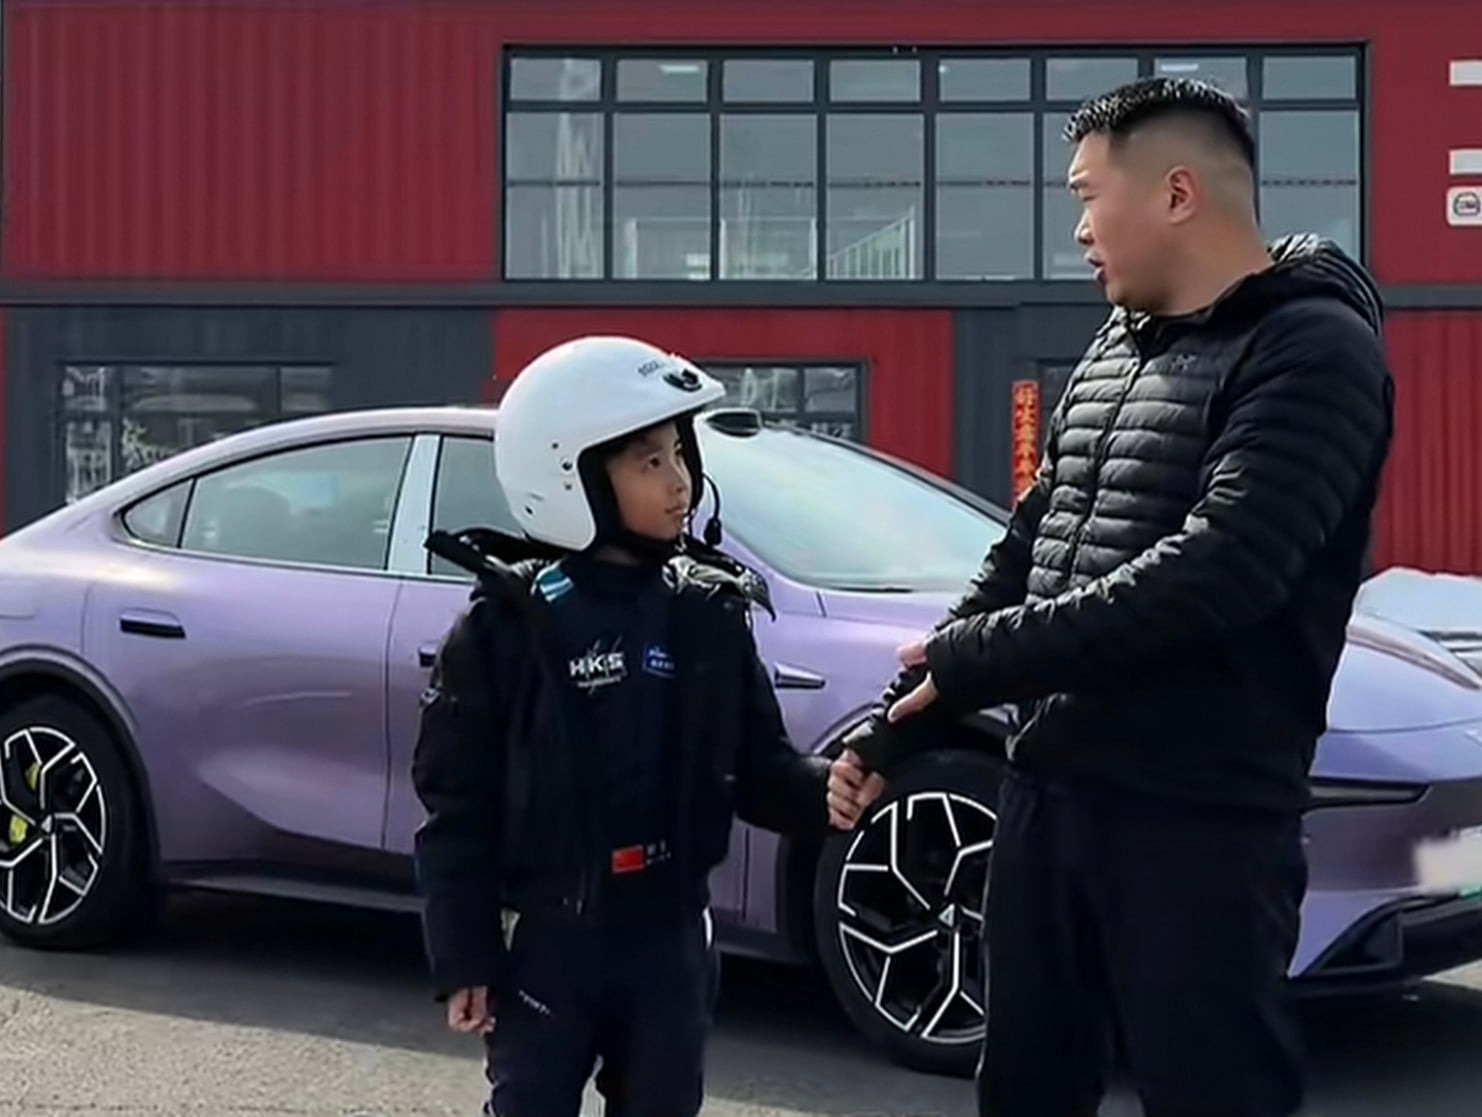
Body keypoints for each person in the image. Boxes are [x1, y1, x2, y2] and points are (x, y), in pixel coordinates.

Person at [827, 76, 1396, 1117]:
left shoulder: (1314, 351)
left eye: (1088, 196)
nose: (1079, 230)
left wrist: (974, 658)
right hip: (1050, 799)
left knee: (1211, 1090)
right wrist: (912, 716)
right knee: (1029, 1086)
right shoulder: (1111, 351)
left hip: (1199, 824)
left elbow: (1219, 571)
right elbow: (1032, 545)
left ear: (1177, 192)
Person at [413, 334, 832, 1117]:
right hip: (548, 946)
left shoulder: (704, 613)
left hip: (669, 941)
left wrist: (830, 791)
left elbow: (760, 768)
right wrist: (463, 953)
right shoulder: (504, 631)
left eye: (681, 455)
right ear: (569, 476)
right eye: (650, 462)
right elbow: (454, 807)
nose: (680, 483)